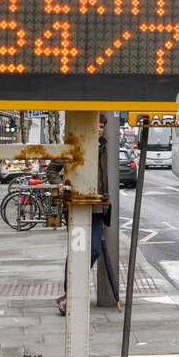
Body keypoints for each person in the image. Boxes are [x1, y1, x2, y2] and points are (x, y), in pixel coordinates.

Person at [56, 114, 111, 316]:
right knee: (77, 250)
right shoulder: (76, 145)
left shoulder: (104, 149)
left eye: (102, 126)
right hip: (77, 207)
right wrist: (62, 186)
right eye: (96, 125)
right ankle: (70, 293)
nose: (99, 129)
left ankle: (73, 287)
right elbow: (53, 170)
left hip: (97, 209)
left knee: (94, 249)